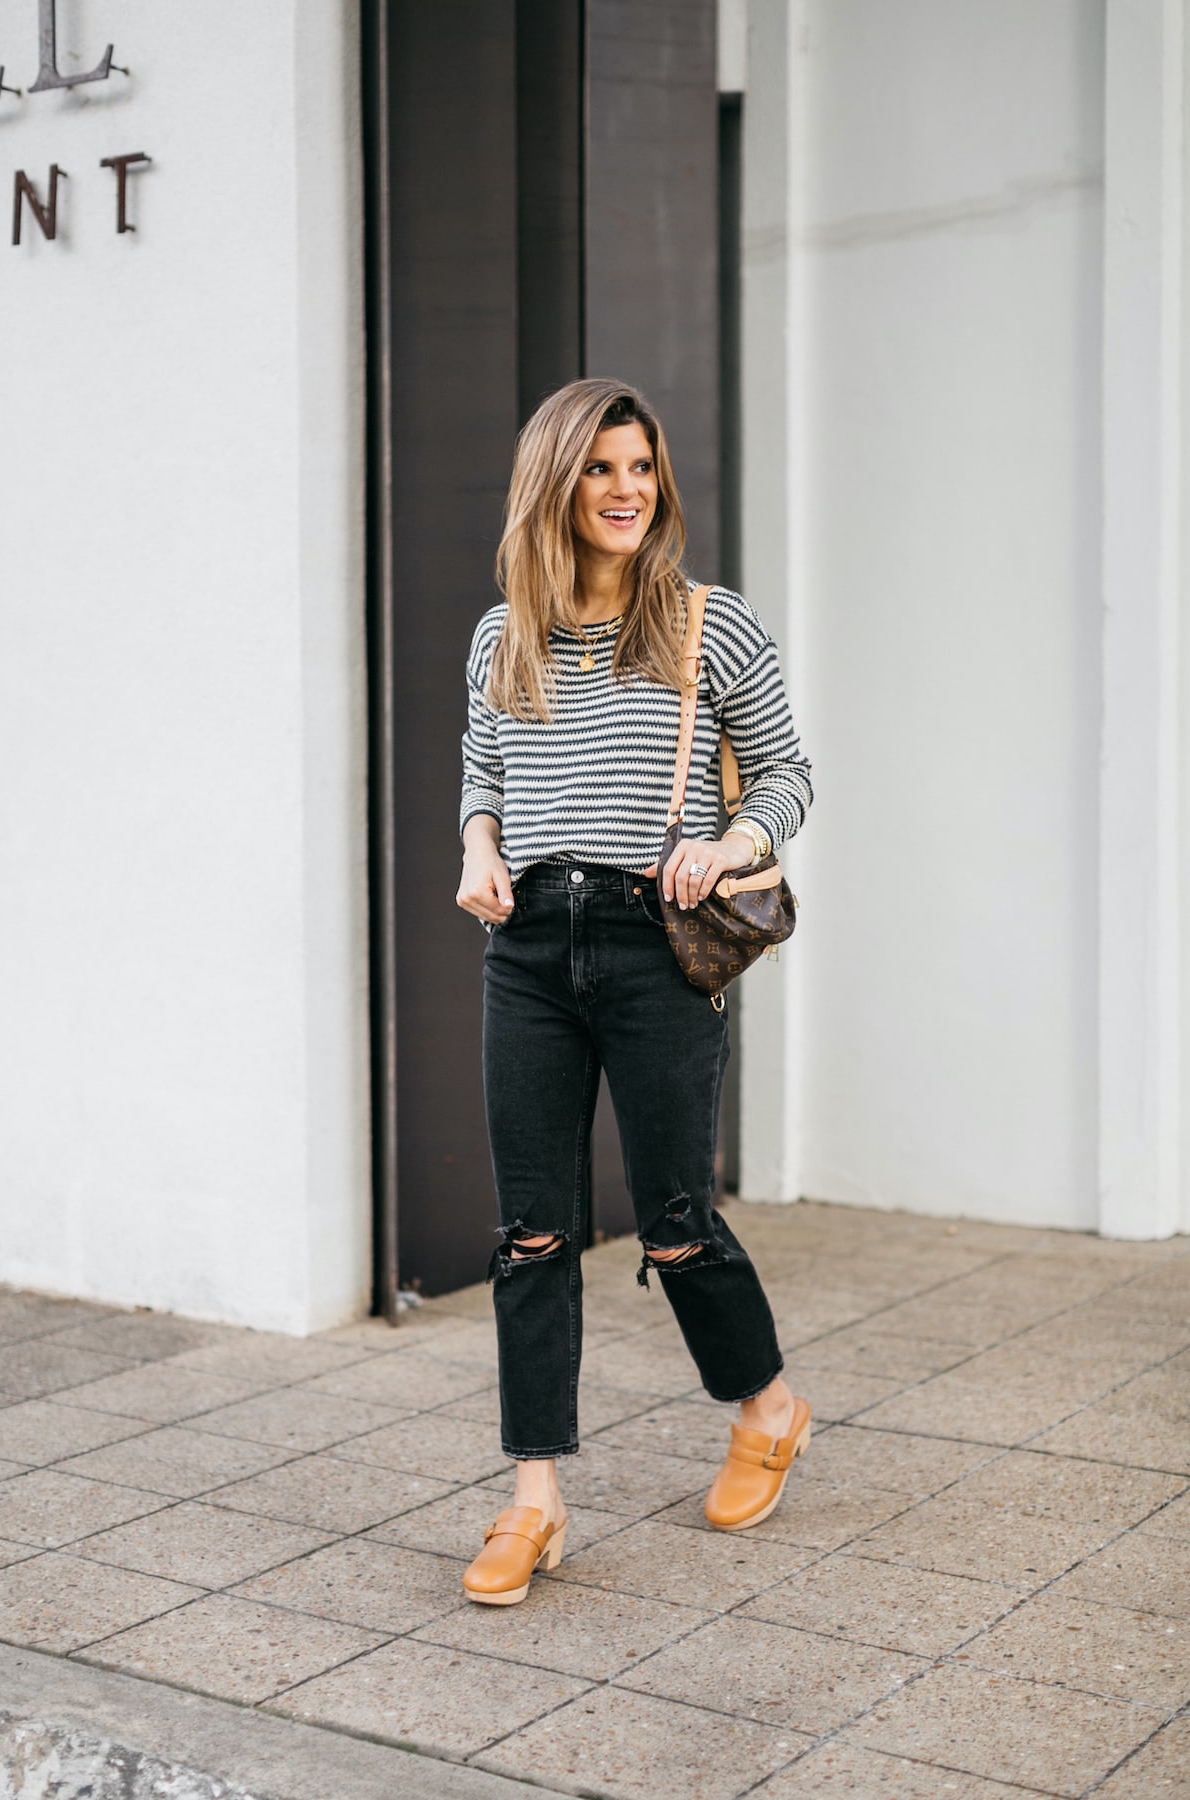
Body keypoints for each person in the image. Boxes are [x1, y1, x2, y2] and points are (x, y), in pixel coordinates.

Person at [456, 377, 814, 1606]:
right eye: (602, 469)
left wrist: (730, 843)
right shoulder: (504, 632)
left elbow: (787, 772)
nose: (626, 491)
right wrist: (478, 849)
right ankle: (534, 1500)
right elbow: (482, 766)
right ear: (556, 484)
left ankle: (767, 1408)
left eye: (642, 469)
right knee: (532, 1232)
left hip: (657, 945)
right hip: (532, 950)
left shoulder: (712, 625)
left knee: (674, 1219)